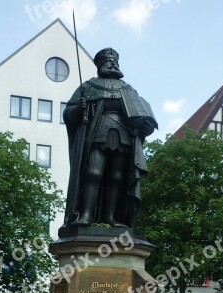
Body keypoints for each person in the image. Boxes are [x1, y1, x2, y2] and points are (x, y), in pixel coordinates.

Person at [62, 47, 157, 229]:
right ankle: (86, 215)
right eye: (108, 60)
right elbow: (68, 115)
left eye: (115, 61)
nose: (112, 63)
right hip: (97, 132)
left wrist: (146, 126)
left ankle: (113, 217)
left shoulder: (128, 89)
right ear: (100, 65)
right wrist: (77, 109)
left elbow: (140, 116)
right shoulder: (88, 87)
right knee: (92, 173)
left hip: (123, 136)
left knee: (117, 176)